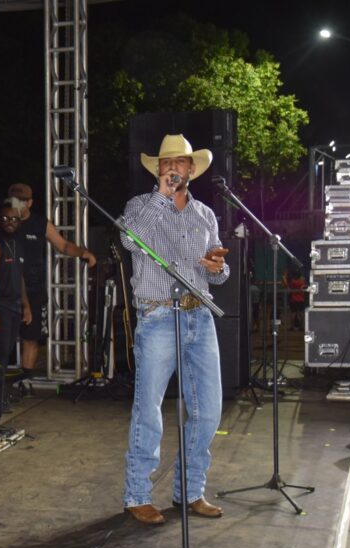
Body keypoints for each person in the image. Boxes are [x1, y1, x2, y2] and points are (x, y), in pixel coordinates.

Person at [120, 134, 230, 525]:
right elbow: (129, 239)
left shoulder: (205, 215)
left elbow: (217, 271)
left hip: (199, 315)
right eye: (167, 163)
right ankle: (137, 495)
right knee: (149, 408)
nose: (173, 168)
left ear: (192, 170)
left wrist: (218, 268)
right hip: (158, 317)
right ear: (158, 170)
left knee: (208, 410)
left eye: (180, 163)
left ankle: (191, 490)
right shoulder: (141, 206)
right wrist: (162, 198)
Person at [0, 183, 95, 384]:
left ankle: (25, 380)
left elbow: (64, 245)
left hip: (32, 288)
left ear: (30, 203)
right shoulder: (3, 220)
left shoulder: (40, 223)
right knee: (3, 340)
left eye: (21, 201)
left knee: (31, 336)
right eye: (13, 199)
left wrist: (84, 253)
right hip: (6, 290)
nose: (16, 204)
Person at [0, 201, 31, 412]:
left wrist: (26, 306)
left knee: (7, 353)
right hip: (0, 306)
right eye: (4, 219)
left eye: (13, 219)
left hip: (15, 307)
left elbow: (20, 278)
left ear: (19, 222)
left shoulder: (18, 244)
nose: (8, 223)